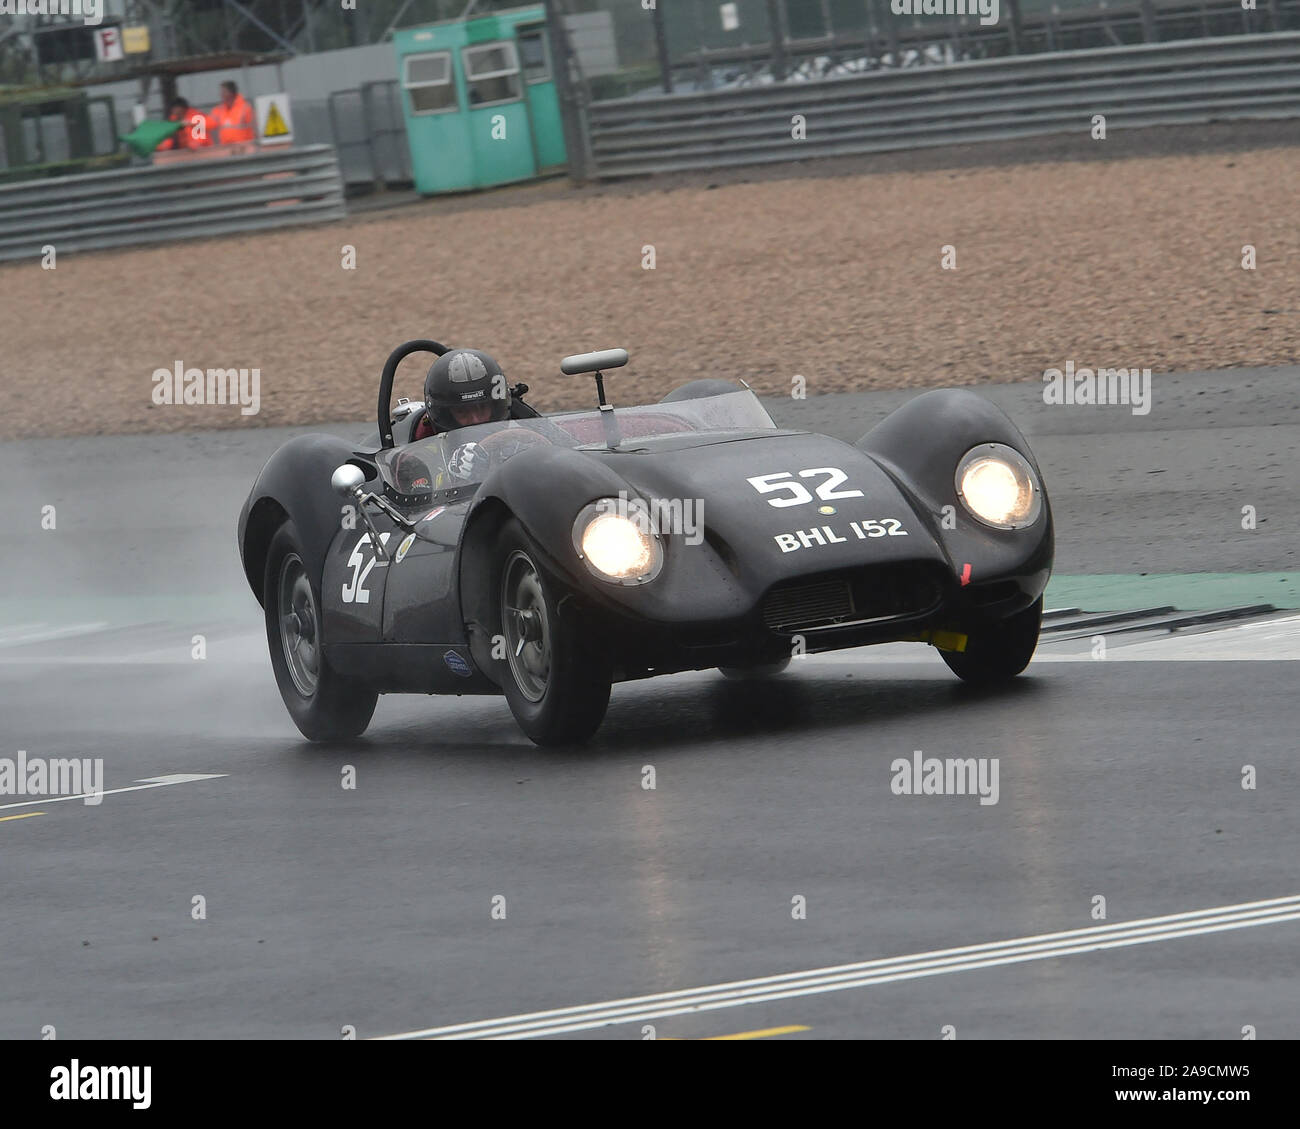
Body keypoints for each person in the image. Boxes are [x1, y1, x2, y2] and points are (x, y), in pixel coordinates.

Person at [209, 81, 255, 145]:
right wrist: (193, 122)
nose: (221, 94)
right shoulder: (219, 110)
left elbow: (255, 129)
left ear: (231, 93)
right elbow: (209, 123)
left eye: (223, 92)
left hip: (244, 148)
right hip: (226, 149)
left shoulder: (245, 108)